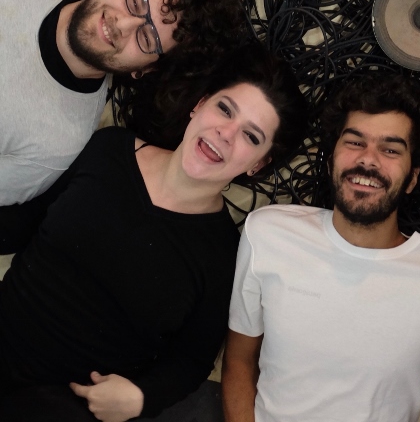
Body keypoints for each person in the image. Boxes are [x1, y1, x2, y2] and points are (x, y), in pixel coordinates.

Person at [0, 44, 307, 422]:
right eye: (225, 109)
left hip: (66, 403)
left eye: (251, 136)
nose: (226, 133)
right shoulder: (110, 149)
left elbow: (192, 360)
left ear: (258, 164)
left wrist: (141, 397)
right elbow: (25, 223)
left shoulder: (223, 256)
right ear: (200, 105)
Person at [222, 74, 420, 422]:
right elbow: (239, 361)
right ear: (330, 161)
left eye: (390, 149)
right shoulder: (267, 232)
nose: (368, 160)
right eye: (355, 142)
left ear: (412, 178)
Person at [0, 0, 245, 206]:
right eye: (136, 2)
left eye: (146, 39)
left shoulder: (56, 145)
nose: (123, 24)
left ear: (145, 69)